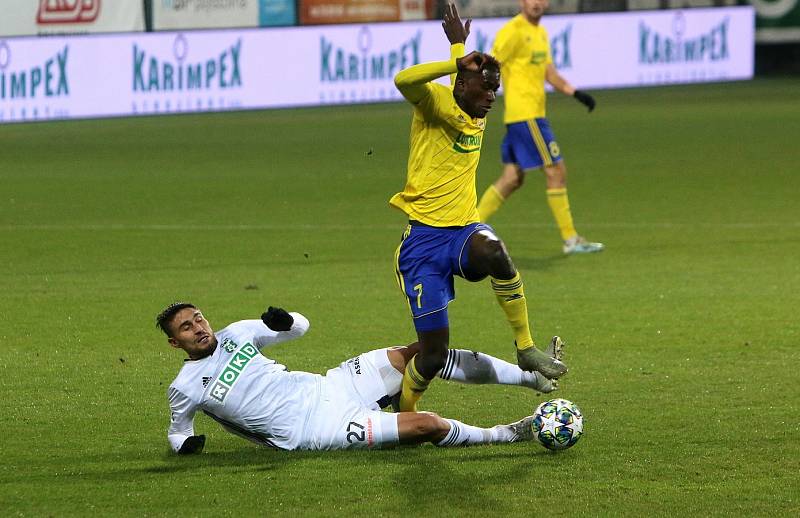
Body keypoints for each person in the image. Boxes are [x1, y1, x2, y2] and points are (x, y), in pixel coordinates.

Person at [389, 3, 567, 414]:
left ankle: (525, 346)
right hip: (422, 244)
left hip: (461, 232)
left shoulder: (474, 104)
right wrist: (453, 51)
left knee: (495, 252)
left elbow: (466, 75)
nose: (491, 99)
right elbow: (403, 79)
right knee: (433, 355)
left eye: (496, 91)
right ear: (462, 86)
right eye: (485, 90)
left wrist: (459, 46)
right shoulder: (434, 103)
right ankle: (404, 413)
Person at [157, 302, 563, 453]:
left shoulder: (237, 333)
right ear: (176, 344)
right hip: (317, 429)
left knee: (425, 352)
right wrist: (187, 444)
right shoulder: (185, 387)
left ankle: (533, 378)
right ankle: (510, 433)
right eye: (187, 328)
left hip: (328, 385)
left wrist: (284, 321)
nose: (199, 328)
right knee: (428, 424)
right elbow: (178, 430)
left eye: (198, 319)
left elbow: (300, 327)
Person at [475, 0, 604, 255]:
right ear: (522, 1)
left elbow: (549, 73)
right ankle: (571, 239)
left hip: (524, 117)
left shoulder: (540, 33)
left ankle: (468, 228)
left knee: (512, 179)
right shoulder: (512, 32)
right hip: (527, 116)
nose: (536, 3)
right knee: (556, 170)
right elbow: (489, 67)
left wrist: (575, 93)